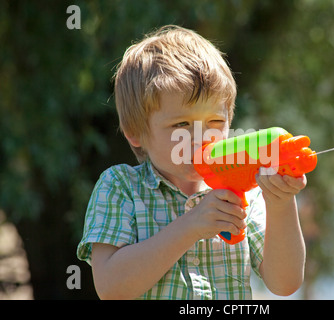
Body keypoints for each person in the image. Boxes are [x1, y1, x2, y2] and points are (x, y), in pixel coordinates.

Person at [77, 25, 307, 300]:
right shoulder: (120, 187)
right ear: (135, 132)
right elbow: (111, 288)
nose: (201, 137)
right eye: (182, 124)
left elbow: (285, 283)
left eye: (216, 122)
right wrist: (190, 226)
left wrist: (280, 203)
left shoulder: (249, 190)